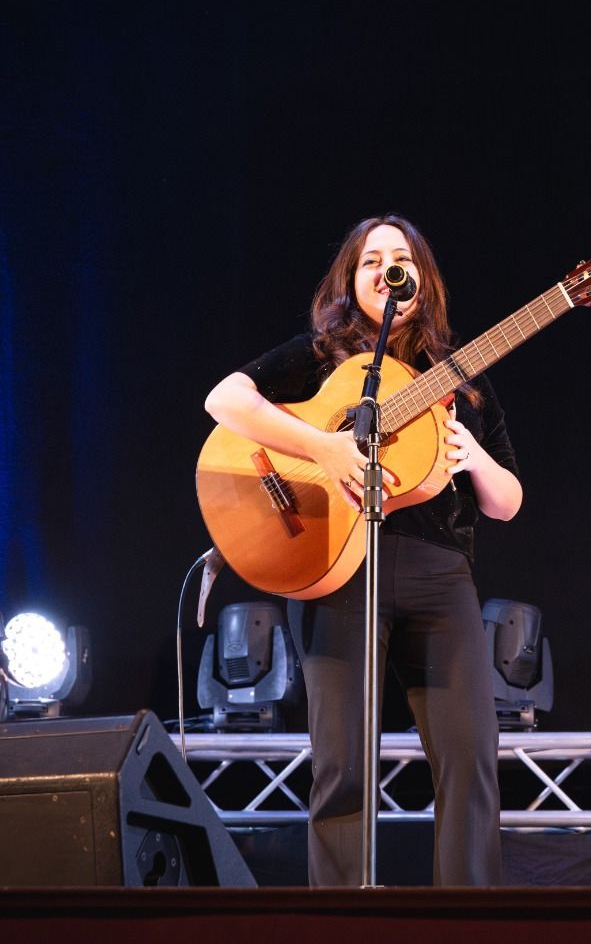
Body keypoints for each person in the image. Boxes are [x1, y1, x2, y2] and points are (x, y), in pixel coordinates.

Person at [204, 214, 522, 886]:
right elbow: (224, 399)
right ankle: (340, 923)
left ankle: (470, 924)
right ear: (350, 280)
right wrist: (323, 446)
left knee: (470, 756)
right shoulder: (323, 358)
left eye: (398, 258)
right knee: (343, 762)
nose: (385, 269)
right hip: (336, 566)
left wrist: (475, 462)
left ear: (421, 279)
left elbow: (508, 500)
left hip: (441, 576)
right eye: (369, 260)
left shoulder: (460, 372)